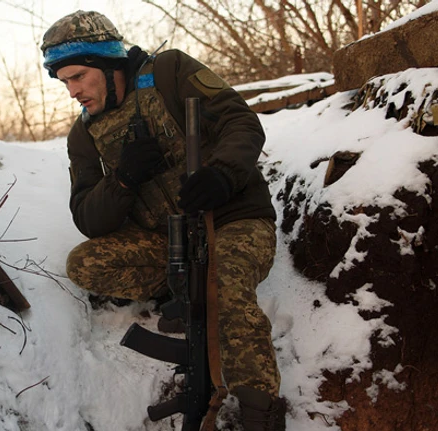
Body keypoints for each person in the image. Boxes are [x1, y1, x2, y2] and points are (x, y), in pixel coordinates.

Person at [41, 10, 285, 431]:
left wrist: (223, 174)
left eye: (79, 76)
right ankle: (177, 288)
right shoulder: (84, 133)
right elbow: (87, 217)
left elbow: (240, 120)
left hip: (232, 219)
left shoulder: (170, 71)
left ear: (108, 63)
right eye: (65, 82)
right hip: (167, 240)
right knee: (84, 263)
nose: (72, 91)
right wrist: (124, 179)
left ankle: (260, 414)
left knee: (225, 282)